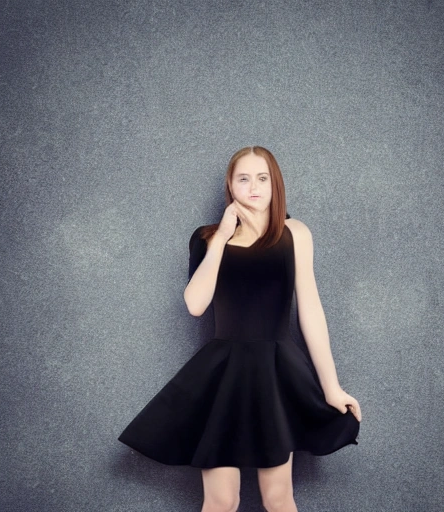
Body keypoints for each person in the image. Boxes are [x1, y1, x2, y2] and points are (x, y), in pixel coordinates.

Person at [119, 146, 361, 512]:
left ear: (275, 184)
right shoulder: (206, 238)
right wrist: (221, 239)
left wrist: (331, 387)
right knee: (221, 500)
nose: (254, 187)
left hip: (276, 373)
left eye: (262, 178)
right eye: (243, 179)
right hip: (223, 375)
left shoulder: (294, 233)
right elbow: (195, 304)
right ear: (230, 186)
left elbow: (310, 311)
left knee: (278, 498)